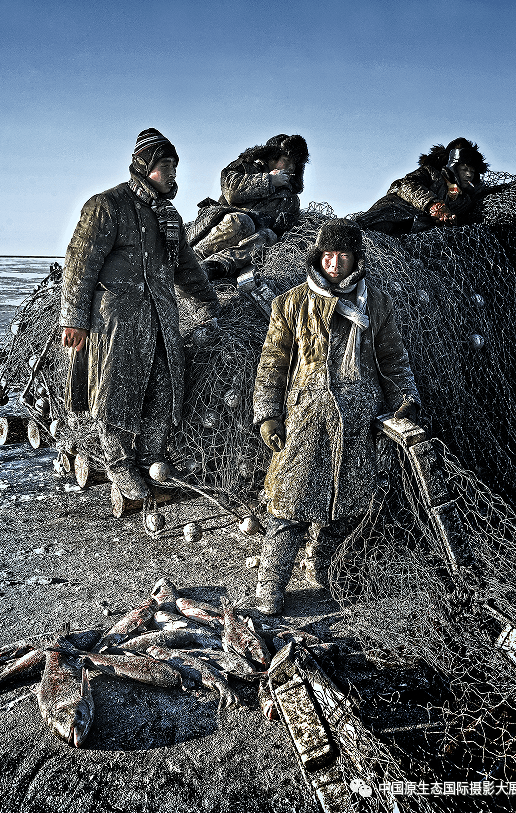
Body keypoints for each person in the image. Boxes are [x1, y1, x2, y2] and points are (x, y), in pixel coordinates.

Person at [252, 219, 420, 615]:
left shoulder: (375, 303)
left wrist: (406, 398)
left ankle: (327, 572)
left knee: (349, 505)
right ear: (317, 255)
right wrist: (267, 415)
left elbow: (393, 358)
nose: (334, 262)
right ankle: (271, 587)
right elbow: (272, 365)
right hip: (305, 415)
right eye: (328, 253)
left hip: (360, 418)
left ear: (355, 258)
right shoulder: (291, 303)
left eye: (343, 254)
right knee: (287, 504)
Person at [60, 129, 219, 501]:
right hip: (116, 321)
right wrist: (75, 319)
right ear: (146, 166)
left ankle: (151, 462)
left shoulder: (169, 217)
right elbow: (79, 264)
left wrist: (210, 303)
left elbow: (188, 269)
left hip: (161, 320)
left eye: (175, 166)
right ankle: (120, 469)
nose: (173, 174)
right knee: (113, 397)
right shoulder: (107, 206)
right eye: (166, 166)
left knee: (164, 390)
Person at [188, 134, 309, 279]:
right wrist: (269, 181)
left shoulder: (290, 199)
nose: (291, 167)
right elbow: (231, 192)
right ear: (272, 156)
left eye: (295, 163)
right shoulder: (245, 166)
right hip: (221, 226)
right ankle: (193, 258)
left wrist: (281, 227)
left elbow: (284, 232)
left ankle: (214, 266)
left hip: (246, 245)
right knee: (242, 222)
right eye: (286, 160)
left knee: (269, 237)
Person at [355, 137, 488, 235]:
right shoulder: (431, 173)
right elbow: (407, 184)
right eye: (465, 169)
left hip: (413, 233)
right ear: (454, 166)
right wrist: (434, 205)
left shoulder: (466, 199)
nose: (469, 174)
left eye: (472, 171)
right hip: (391, 213)